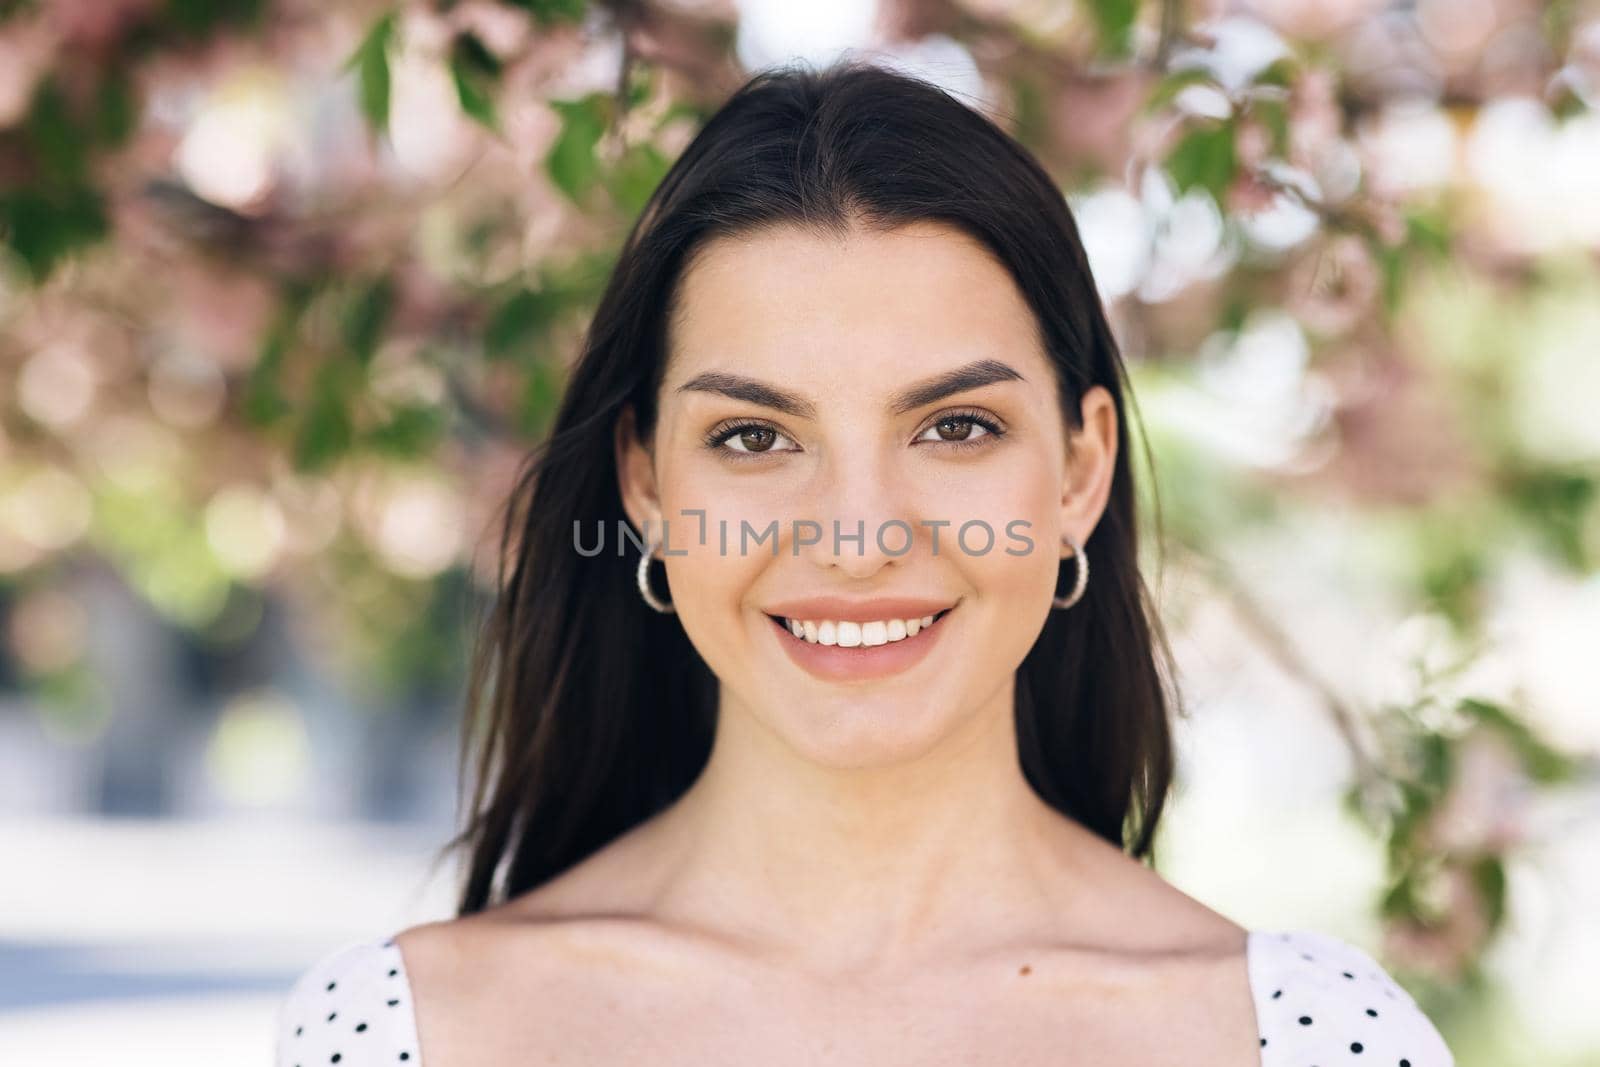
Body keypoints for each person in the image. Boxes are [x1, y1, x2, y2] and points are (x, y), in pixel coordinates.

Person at [275, 59, 1456, 1067]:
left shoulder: (1303, 1035)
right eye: (753, 437)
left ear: (1079, 472)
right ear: (645, 483)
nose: (856, 536)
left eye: (955, 428)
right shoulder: (404, 1029)